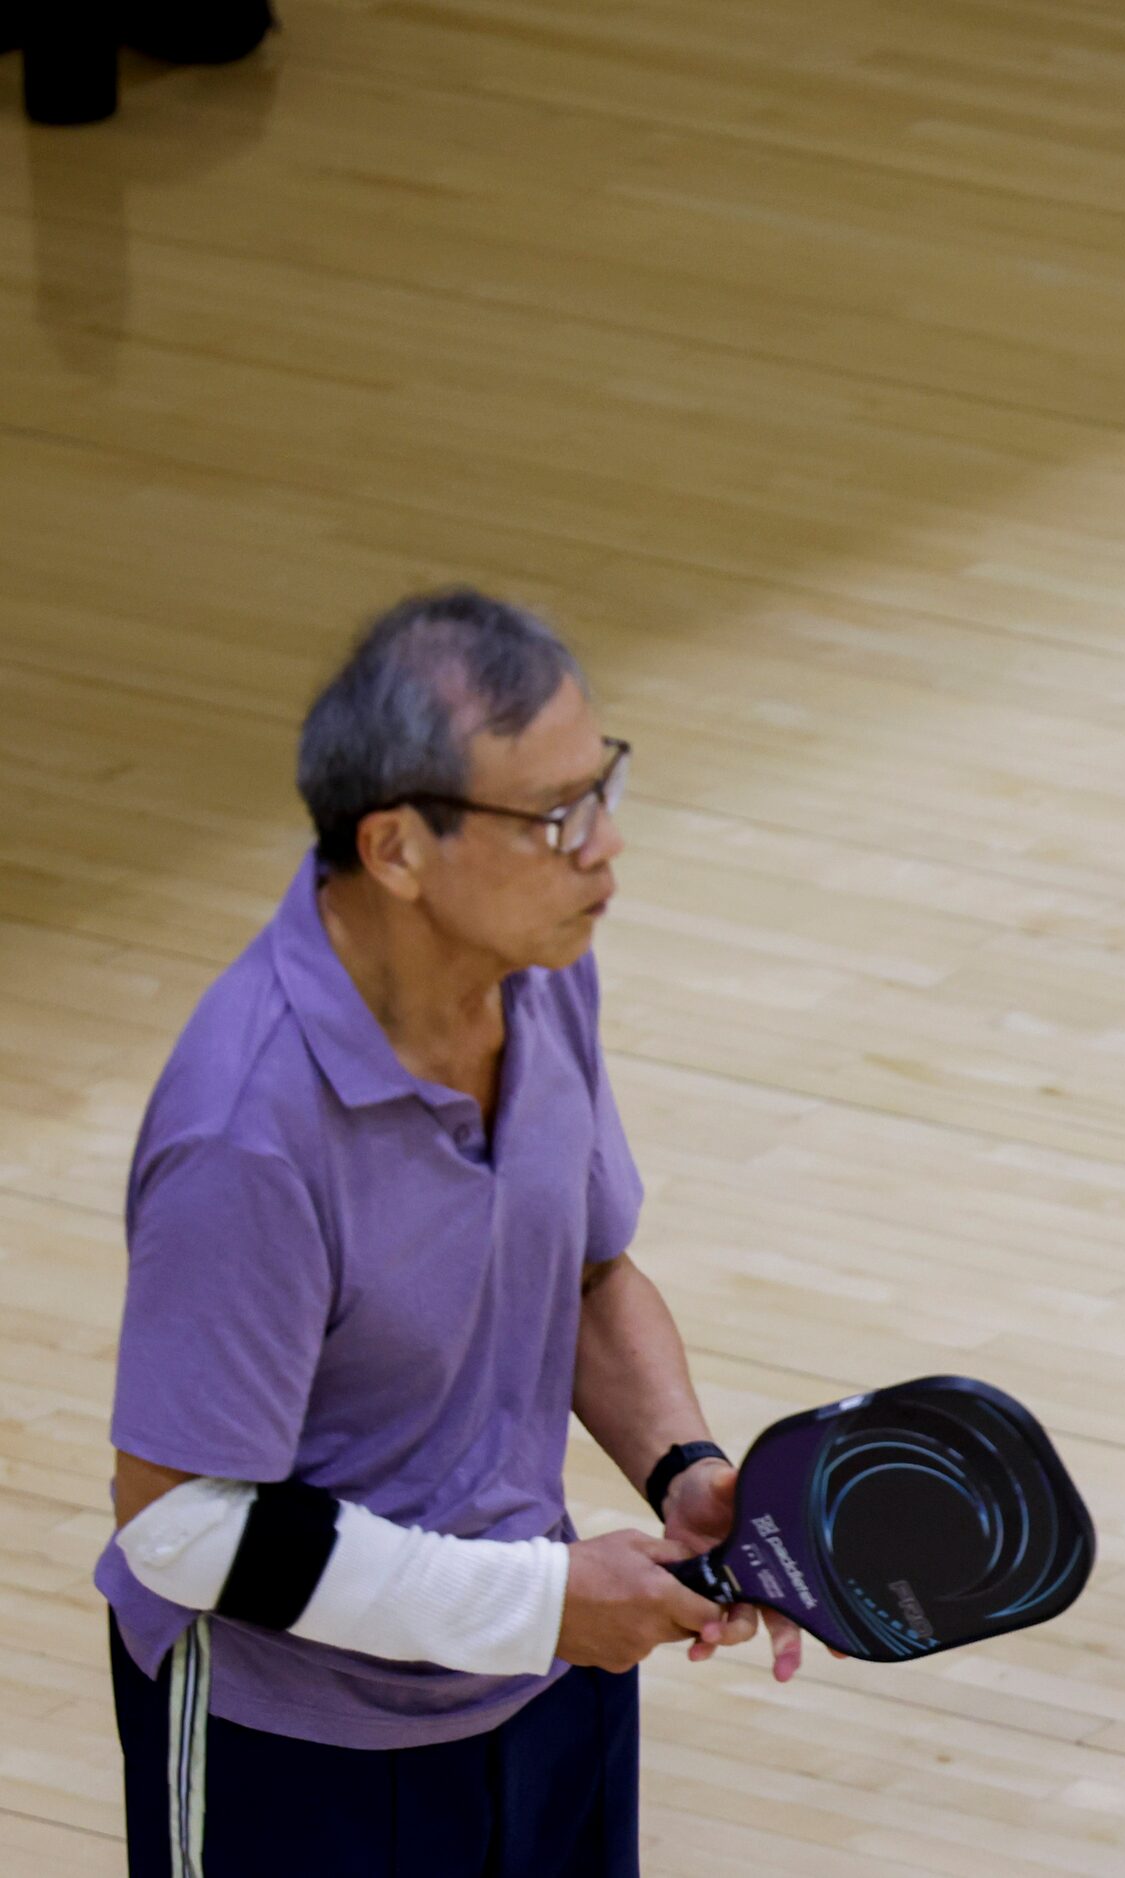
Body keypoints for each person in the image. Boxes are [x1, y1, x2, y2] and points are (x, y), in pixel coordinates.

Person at [96, 589, 795, 1876]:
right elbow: (181, 1525)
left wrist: (684, 1470)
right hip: (297, 1753)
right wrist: (539, 1603)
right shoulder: (247, 1133)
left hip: (537, 1681)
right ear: (397, 849)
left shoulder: (540, 970)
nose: (603, 851)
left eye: (603, 790)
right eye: (551, 818)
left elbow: (582, 1276)